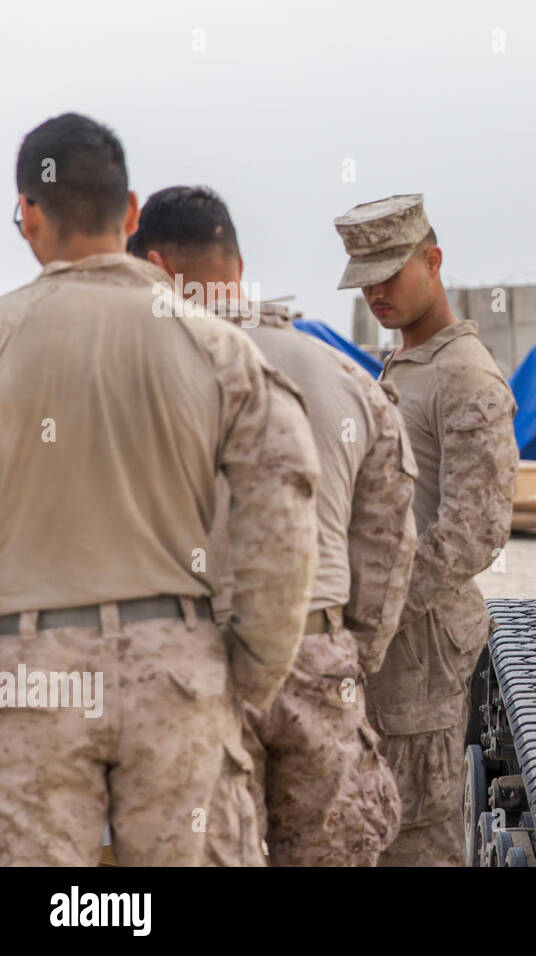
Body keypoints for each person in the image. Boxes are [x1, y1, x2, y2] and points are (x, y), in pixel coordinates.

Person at [0, 114, 319, 866]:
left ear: (31, 214)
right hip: (178, 670)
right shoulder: (216, 348)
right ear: (132, 211)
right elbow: (283, 519)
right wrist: (244, 670)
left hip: (27, 673)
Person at [128, 185, 419, 866]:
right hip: (317, 652)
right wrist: (347, 654)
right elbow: (387, 544)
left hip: (192, 663)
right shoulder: (347, 376)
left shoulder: (138, 371)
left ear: (160, 266)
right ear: (234, 261)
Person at [334, 194, 518, 866]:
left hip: (421, 652)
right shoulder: (412, 362)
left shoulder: (463, 374)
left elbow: (474, 533)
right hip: (394, 646)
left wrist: (377, 614)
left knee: (417, 839)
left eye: (390, 275)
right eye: (365, 281)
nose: (376, 293)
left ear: (433, 261)